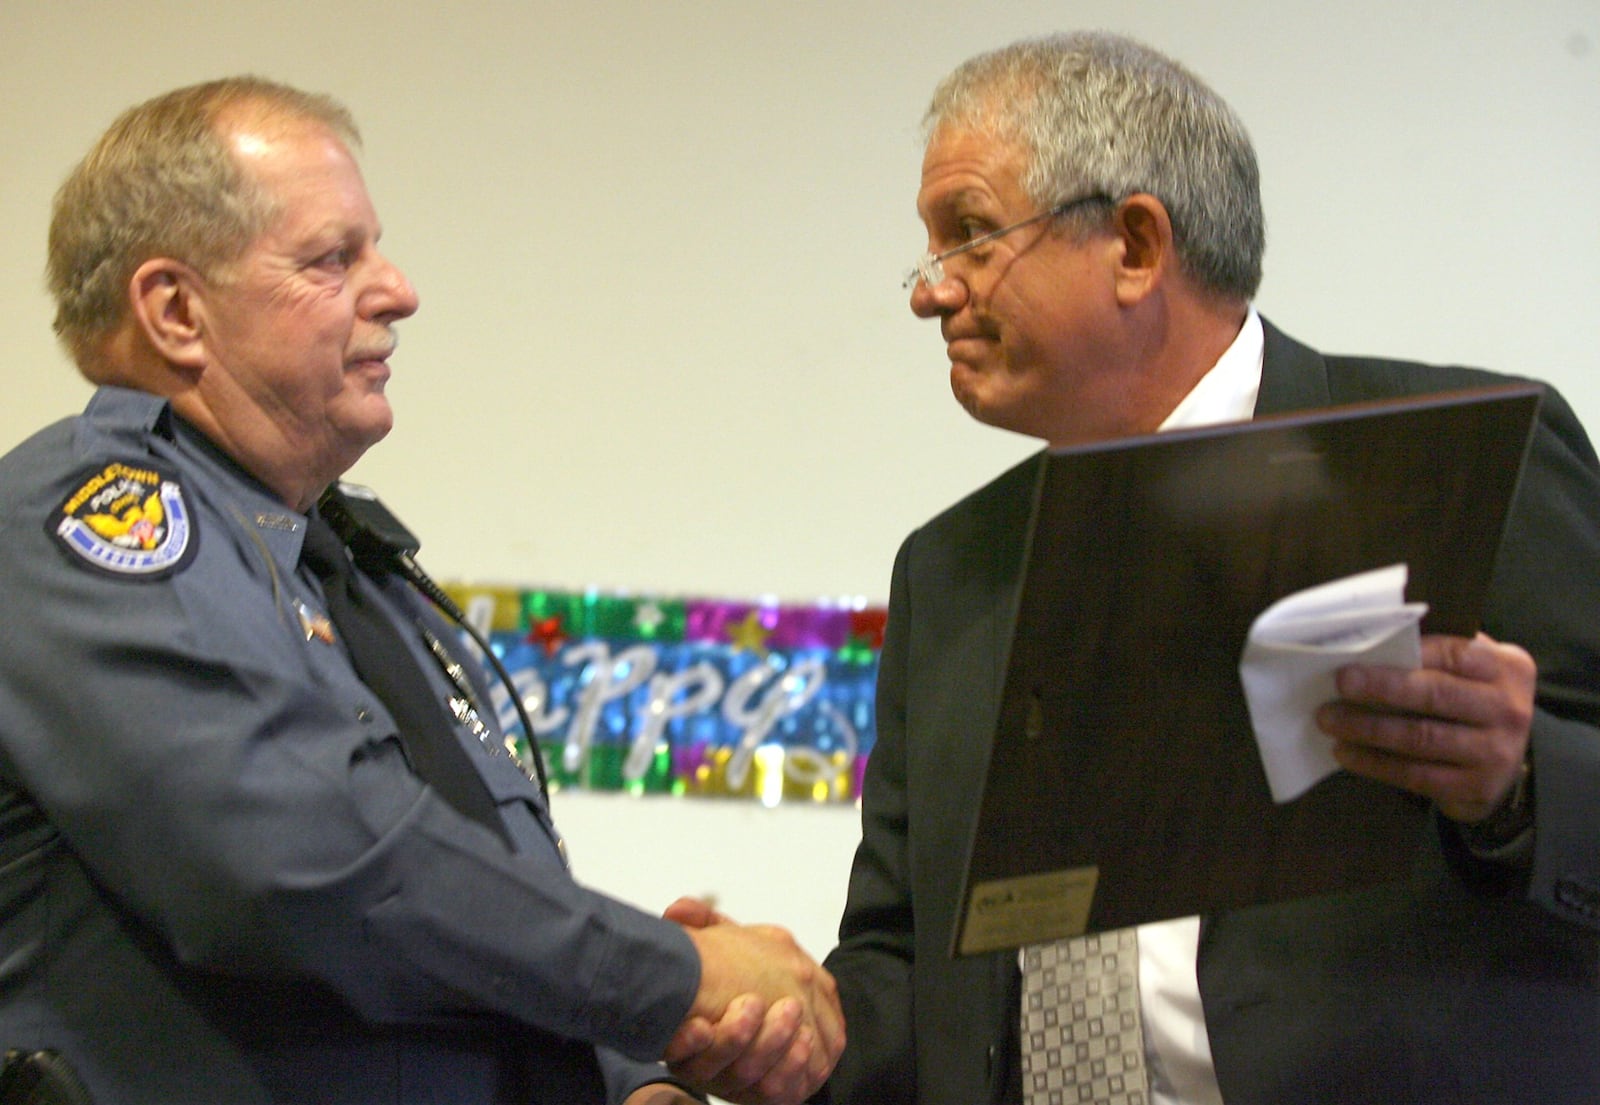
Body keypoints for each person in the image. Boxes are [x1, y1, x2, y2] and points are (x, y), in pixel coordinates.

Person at [0, 76, 842, 1105]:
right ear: (177, 311)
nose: (396, 288)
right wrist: (678, 979)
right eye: (331, 258)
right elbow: (310, 871)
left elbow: (480, 888)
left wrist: (635, 1082)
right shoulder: (88, 522)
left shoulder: (348, 560)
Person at [817, 31, 1600, 1105]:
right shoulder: (948, 571)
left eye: (970, 235)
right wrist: (776, 1027)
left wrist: (1516, 785)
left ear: (1135, 245)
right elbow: (904, 968)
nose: (928, 292)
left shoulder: (1464, 464)